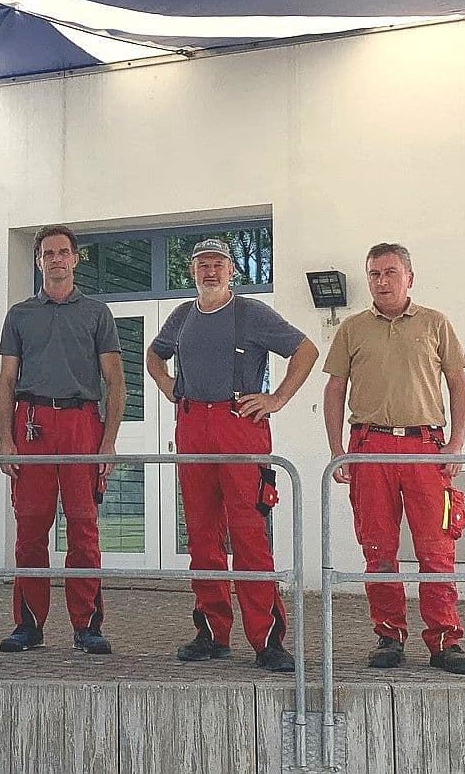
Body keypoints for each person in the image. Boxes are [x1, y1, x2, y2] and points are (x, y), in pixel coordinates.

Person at [146, 238, 318, 672]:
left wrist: (277, 398)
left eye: (218, 264)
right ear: (192, 271)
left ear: (231, 271)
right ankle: (211, 632)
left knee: (249, 534)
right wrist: (167, 385)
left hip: (239, 425)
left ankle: (267, 640)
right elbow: (154, 355)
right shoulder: (181, 316)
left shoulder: (252, 313)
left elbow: (306, 350)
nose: (210, 271)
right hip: (192, 427)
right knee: (202, 534)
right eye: (202, 264)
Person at [323, 242, 465, 675]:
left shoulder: (435, 323)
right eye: (374, 274)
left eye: (391, 272)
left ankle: (445, 640)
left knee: (436, 549)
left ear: (410, 277)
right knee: (378, 548)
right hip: (369, 448)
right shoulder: (352, 328)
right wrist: (338, 451)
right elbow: (334, 388)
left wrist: (456, 443)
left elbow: (458, 383)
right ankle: (389, 636)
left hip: (425, 448)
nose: (382, 281)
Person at [0, 224, 124, 655]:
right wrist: (6, 439)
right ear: (38, 261)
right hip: (31, 424)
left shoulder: (97, 314)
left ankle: (86, 626)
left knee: (83, 528)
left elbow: (115, 380)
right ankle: (28, 625)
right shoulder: (19, 315)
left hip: (81, 424)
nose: (55, 259)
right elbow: (6, 379)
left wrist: (108, 441)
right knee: (30, 528)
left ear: (75, 259)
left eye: (62, 252)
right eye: (48, 253)